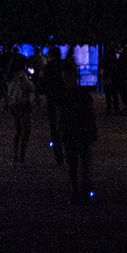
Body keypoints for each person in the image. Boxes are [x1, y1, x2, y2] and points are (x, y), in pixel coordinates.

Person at [58, 58, 97, 201]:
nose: (66, 80)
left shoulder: (79, 94)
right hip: (72, 130)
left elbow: (90, 112)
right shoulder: (66, 95)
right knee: (74, 162)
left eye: (68, 77)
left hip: (80, 130)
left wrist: (92, 128)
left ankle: (82, 188)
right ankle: (77, 189)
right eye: (65, 77)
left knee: (82, 161)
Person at [6, 54, 33, 162]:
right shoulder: (21, 75)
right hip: (23, 103)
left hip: (13, 103)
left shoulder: (9, 75)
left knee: (17, 130)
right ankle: (22, 155)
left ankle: (15, 154)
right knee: (26, 131)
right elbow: (31, 87)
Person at [41, 46, 66, 166]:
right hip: (64, 99)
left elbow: (42, 85)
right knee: (65, 126)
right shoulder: (64, 66)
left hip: (52, 100)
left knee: (54, 129)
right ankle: (67, 152)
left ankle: (59, 155)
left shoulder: (47, 68)